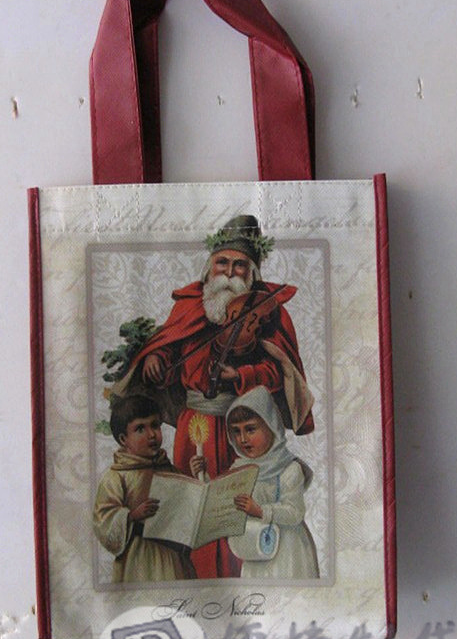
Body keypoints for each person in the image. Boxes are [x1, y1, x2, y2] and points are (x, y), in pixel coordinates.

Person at [114, 214, 314, 579]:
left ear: (251, 273)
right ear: (210, 265)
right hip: (195, 425)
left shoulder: (266, 312)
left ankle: (242, 578)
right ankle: (196, 576)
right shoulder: (190, 303)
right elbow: (171, 345)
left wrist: (242, 375)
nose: (230, 272)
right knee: (193, 503)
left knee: (236, 505)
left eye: (240, 265)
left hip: (243, 428)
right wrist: (157, 357)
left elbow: (280, 371)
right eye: (223, 262)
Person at [212, 385, 319, 579]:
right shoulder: (239, 469)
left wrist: (261, 511)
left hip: (287, 549)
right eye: (236, 431)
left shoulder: (289, 469)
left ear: (271, 426)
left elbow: (295, 512)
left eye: (250, 429)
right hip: (255, 549)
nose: (243, 439)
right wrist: (201, 475)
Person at [93, 394, 196, 583]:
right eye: (140, 428)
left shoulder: (169, 469)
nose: (152, 434)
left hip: (173, 557)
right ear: (123, 439)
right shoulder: (117, 476)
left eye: (155, 425)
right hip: (138, 559)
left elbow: (188, 505)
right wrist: (131, 516)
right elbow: (103, 520)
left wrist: (197, 477)